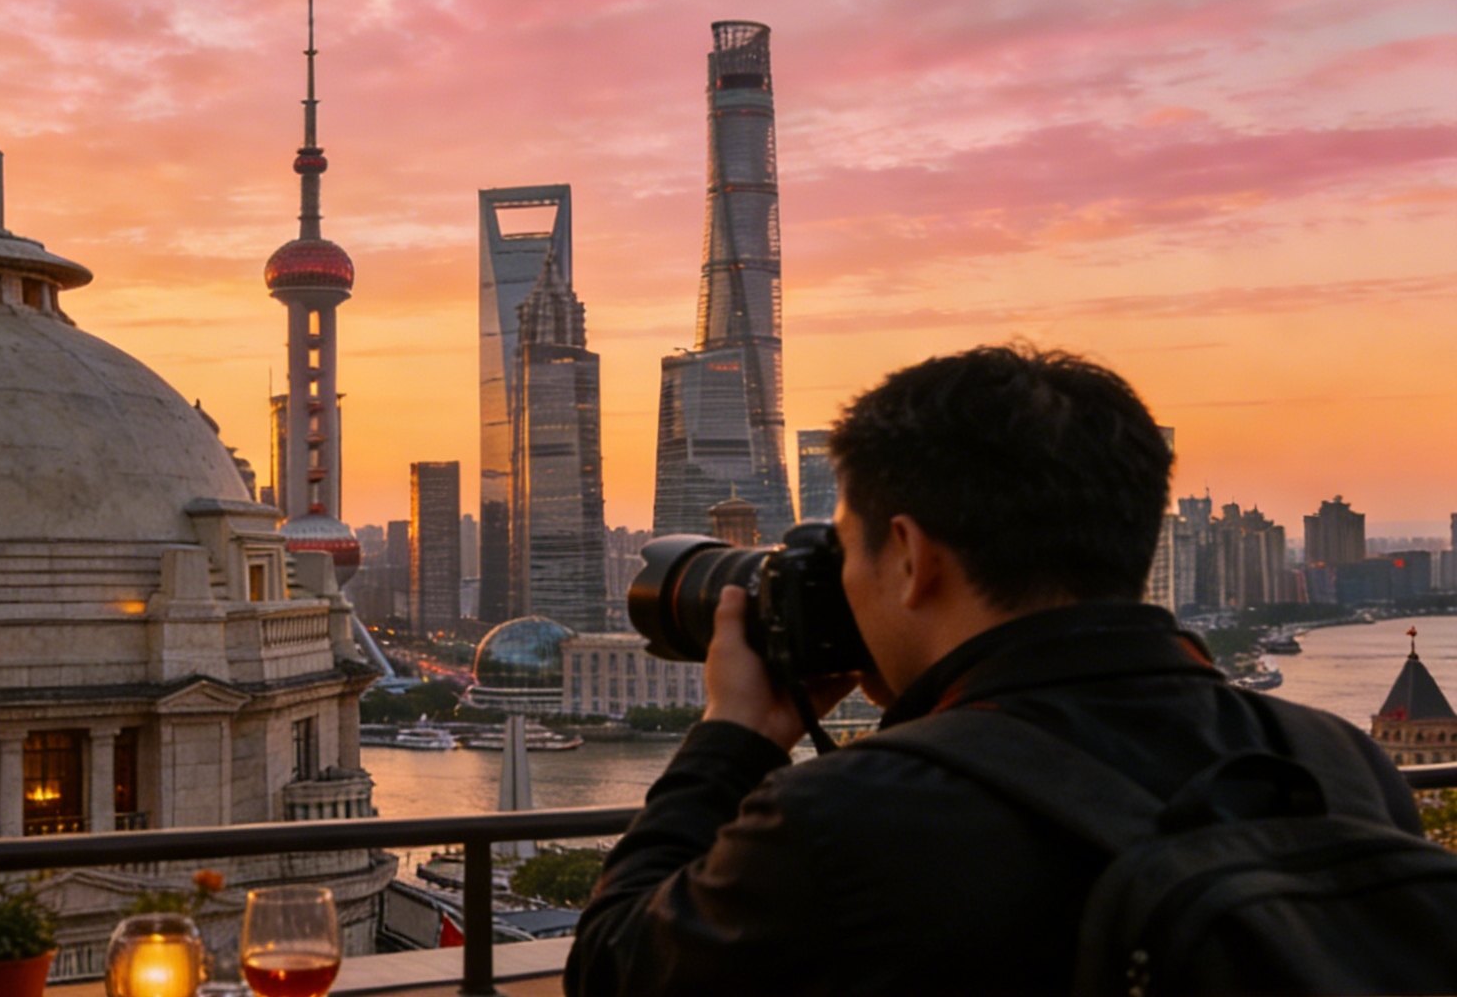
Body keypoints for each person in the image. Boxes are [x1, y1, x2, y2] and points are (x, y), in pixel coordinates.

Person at [565, 344, 1423, 996]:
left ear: (909, 557)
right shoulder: (1337, 764)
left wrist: (731, 737)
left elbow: (615, 969)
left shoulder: (846, 820)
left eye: (842, 550)